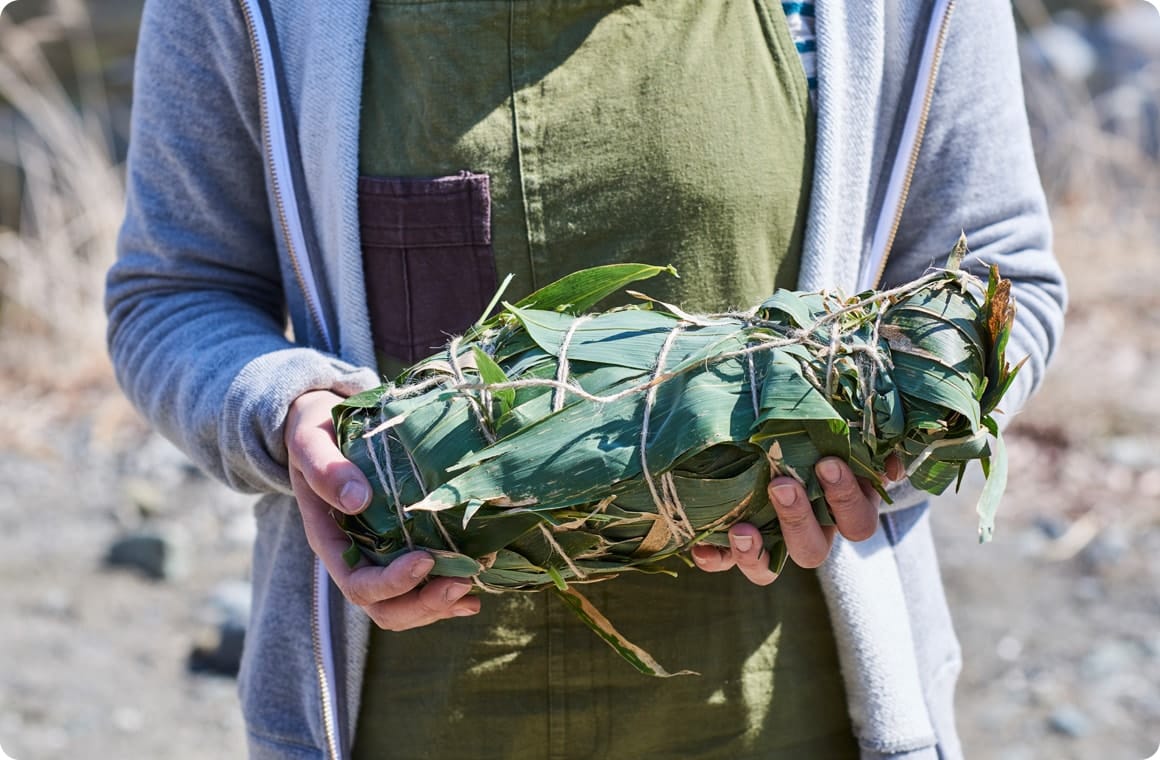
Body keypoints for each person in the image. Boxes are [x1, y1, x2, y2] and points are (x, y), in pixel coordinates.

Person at [106, 1, 1066, 758]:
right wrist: (281, 410)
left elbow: (1004, 282)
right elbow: (172, 292)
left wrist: (880, 442)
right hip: (411, 712)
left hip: (778, 706)